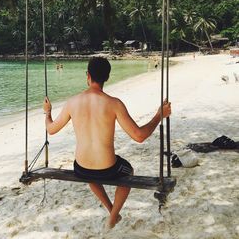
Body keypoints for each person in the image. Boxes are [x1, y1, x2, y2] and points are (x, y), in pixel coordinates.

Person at [43, 57, 171, 229]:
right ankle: (112, 216)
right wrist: (158, 116)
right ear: (107, 77)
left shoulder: (72, 102)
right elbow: (139, 136)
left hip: (81, 168)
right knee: (128, 172)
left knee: (90, 174)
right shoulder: (114, 104)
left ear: (87, 75)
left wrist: (47, 112)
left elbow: (51, 129)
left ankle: (112, 212)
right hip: (107, 169)